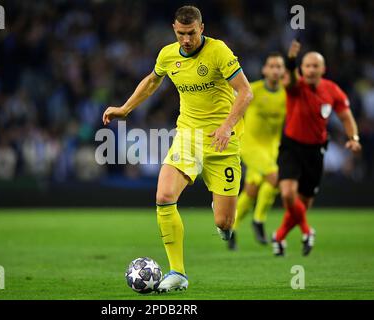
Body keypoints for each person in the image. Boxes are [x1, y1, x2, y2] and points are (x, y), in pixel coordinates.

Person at [102, 6, 253, 292]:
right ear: (174, 29)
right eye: (182, 34)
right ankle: (178, 273)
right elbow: (151, 82)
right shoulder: (167, 55)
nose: (186, 40)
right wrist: (124, 108)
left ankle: (221, 215)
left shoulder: (219, 51)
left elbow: (246, 91)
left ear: (202, 28)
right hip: (188, 138)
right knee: (164, 196)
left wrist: (226, 126)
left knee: (225, 222)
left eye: (192, 33)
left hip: (224, 141)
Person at [272, 40, 362, 256]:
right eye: (307, 66)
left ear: (323, 69)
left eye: (315, 66)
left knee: (303, 203)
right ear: (302, 69)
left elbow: (346, 116)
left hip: (316, 150)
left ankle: (279, 237)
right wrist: (291, 60)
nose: (311, 69)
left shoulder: (332, 90)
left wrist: (353, 137)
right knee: (287, 194)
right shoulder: (295, 85)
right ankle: (306, 230)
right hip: (291, 146)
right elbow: (290, 79)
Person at [229, 53, 286, 250]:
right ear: (264, 70)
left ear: (283, 71)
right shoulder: (253, 90)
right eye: (272, 66)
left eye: (279, 66)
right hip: (250, 145)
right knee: (274, 177)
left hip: (272, 147)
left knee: (252, 189)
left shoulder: (286, 94)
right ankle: (259, 220)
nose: (275, 70)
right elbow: (232, 105)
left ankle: (232, 227)